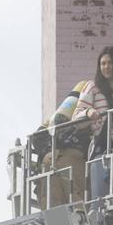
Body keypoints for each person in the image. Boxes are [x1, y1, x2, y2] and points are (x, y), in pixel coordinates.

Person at [71, 46, 113, 203]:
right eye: (103, 63)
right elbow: (76, 118)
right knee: (100, 206)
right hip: (103, 153)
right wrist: (89, 113)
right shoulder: (93, 87)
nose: (106, 67)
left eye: (110, 63)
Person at [32, 80, 90, 208]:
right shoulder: (57, 119)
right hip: (53, 162)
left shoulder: (88, 120)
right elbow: (39, 136)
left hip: (68, 163)